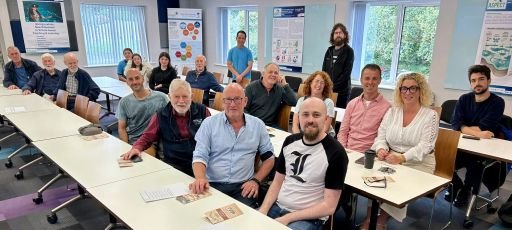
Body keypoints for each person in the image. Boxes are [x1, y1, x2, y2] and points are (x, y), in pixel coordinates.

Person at [259, 97, 349, 230]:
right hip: (277, 207)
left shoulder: (336, 153)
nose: (310, 120)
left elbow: (329, 206)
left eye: (316, 115)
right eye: (305, 114)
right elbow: (277, 182)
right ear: (298, 117)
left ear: (326, 119)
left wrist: (288, 218)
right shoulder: (290, 142)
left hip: (308, 218)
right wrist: (263, 211)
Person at [363, 72, 438, 229]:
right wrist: (381, 149)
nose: (408, 92)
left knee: (400, 185)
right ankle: (369, 219)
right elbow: (381, 136)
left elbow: (426, 146)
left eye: (413, 88)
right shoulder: (393, 111)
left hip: (420, 163)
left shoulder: (430, 115)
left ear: (420, 91)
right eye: (404, 88)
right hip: (391, 158)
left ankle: (381, 222)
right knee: (371, 177)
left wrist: (402, 158)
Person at [190, 83, 275, 208]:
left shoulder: (258, 125)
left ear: (245, 101)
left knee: (242, 220)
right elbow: (199, 156)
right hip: (212, 183)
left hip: (243, 186)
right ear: (222, 102)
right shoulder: (209, 124)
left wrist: (256, 180)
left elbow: (269, 158)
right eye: (228, 100)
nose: (232, 104)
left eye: (237, 99)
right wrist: (200, 178)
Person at [122, 79, 210, 176]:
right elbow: (148, 136)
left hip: (202, 163)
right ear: (169, 97)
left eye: (185, 96)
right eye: (176, 97)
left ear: (191, 96)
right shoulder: (161, 115)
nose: (181, 101)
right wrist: (136, 148)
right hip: (174, 165)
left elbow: (214, 136)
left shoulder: (203, 111)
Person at [447, 64, 505, 206]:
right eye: (473, 80)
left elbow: (485, 127)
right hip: (463, 144)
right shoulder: (464, 99)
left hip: (483, 149)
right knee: (442, 157)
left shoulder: (497, 102)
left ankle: (466, 191)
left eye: (481, 79)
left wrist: (463, 128)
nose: (477, 83)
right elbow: (455, 124)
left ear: (489, 81)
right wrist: (475, 132)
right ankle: (457, 186)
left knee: (475, 164)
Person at [338, 64, 391, 152]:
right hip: (348, 151)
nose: (370, 82)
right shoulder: (352, 104)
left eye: (374, 78)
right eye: (367, 78)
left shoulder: (387, 107)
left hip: (370, 154)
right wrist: (342, 150)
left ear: (380, 81)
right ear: (361, 80)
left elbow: (383, 138)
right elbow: (343, 132)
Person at [117, 68, 168, 145]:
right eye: (130, 79)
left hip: (150, 142)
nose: (134, 82)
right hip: (133, 141)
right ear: (127, 82)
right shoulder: (124, 102)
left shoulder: (161, 98)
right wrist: (126, 147)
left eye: (137, 78)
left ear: (143, 79)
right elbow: (122, 128)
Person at [245, 63, 297, 127]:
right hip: (253, 124)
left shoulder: (280, 89)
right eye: (270, 72)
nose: (273, 75)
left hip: (271, 126)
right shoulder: (251, 88)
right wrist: (251, 124)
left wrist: (285, 85)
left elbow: (294, 102)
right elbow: (244, 109)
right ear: (263, 74)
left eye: (276, 73)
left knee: (284, 137)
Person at [291, 71, 336, 136]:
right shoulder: (301, 101)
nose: (319, 85)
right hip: (305, 135)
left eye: (322, 83)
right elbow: (295, 125)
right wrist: (298, 138)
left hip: (323, 136)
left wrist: (311, 142)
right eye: (317, 81)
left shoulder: (328, 103)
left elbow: (325, 128)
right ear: (310, 83)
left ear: (325, 87)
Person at [322, 23, 354, 109]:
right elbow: (324, 71)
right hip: (328, 91)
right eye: (336, 33)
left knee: (338, 116)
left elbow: (346, 74)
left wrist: (332, 87)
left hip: (342, 92)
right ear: (333, 36)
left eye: (340, 32)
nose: (338, 35)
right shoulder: (329, 50)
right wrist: (326, 86)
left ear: (345, 35)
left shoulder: (349, 51)